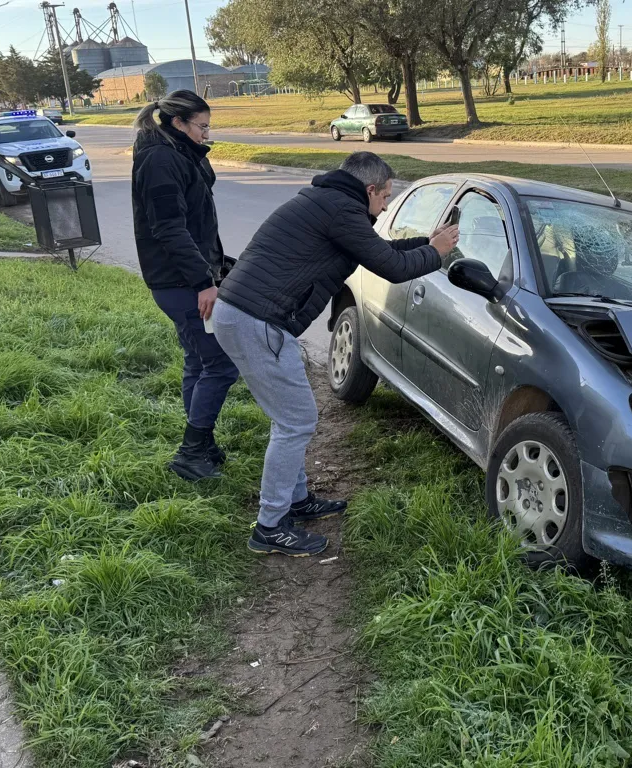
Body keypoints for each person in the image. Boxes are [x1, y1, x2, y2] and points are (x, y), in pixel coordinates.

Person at [213, 152, 459, 557]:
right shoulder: (342, 210)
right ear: (369, 190)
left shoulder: (329, 202)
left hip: (247, 315)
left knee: (291, 418)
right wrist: (437, 253)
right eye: (384, 199)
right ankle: (270, 525)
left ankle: (296, 500)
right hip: (257, 321)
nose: (383, 208)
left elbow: (380, 250)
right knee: (296, 422)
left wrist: (428, 244)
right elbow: (392, 267)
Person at [132, 90, 238, 482]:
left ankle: (202, 443)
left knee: (199, 359)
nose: (207, 134)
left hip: (187, 277)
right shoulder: (160, 159)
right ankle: (190, 453)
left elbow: (196, 223)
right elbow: (169, 228)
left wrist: (217, 266)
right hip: (180, 282)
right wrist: (202, 282)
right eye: (202, 126)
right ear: (178, 123)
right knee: (221, 363)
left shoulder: (175, 153)